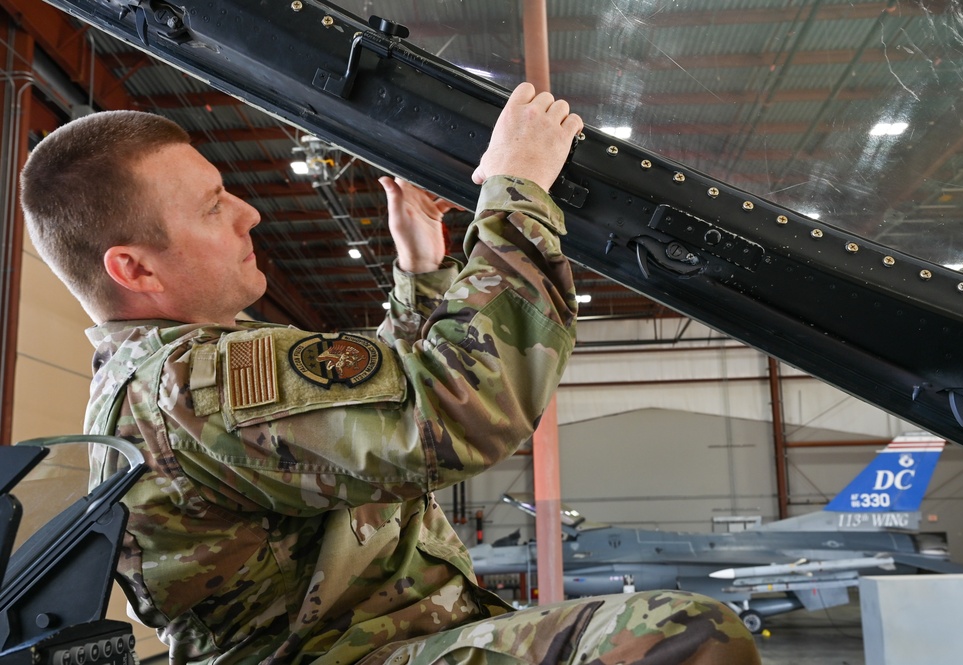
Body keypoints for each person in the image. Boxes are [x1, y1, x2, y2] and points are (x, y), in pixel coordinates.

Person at [20, 82, 760, 665]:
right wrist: (516, 191)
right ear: (135, 267)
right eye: (214, 207)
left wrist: (420, 265)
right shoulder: (192, 385)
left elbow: (385, 428)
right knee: (678, 633)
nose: (248, 214)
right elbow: (461, 411)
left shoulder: (173, 377)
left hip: (374, 641)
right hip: (350, 652)